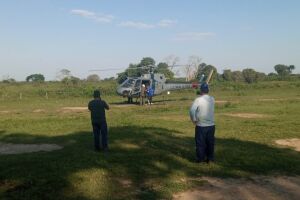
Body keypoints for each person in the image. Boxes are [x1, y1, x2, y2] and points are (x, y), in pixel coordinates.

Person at [189, 83, 215, 163]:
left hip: (201, 125)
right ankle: (210, 158)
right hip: (211, 125)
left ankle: (200, 159)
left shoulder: (198, 100)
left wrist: (194, 119)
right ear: (208, 90)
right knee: (210, 143)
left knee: (200, 143)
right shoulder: (212, 99)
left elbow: (192, 110)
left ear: (201, 90)